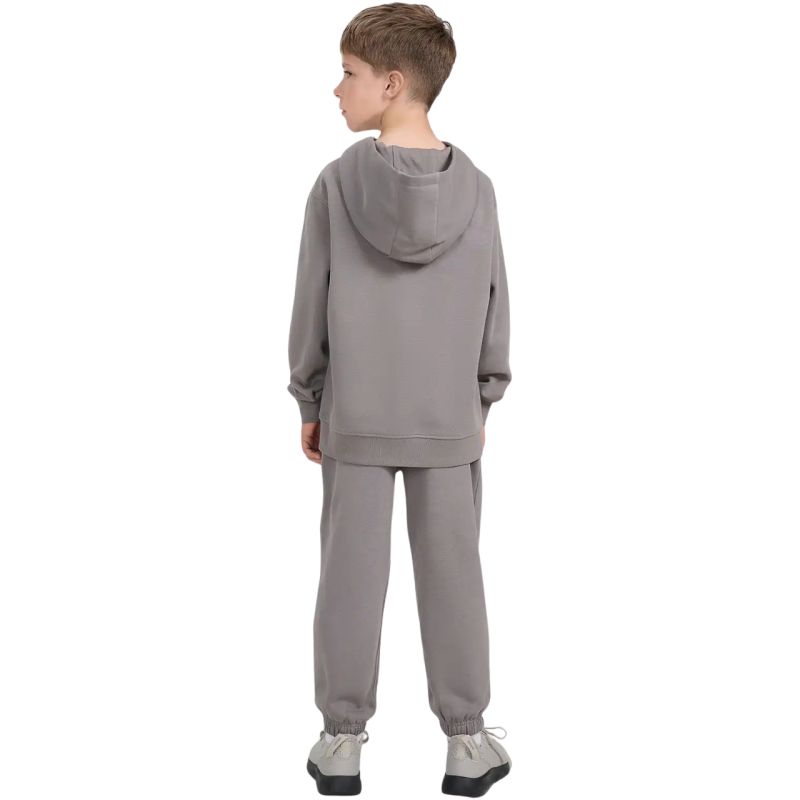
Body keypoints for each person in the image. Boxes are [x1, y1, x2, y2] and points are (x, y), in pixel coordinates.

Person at [287, 4, 512, 795]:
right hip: (448, 420)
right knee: (455, 577)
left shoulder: (335, 184)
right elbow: (495, 302)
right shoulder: (477, 189)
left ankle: (340, 742)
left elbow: (311, 302)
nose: (335, 88)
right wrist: (483, 396)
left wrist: (310, 397)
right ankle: (467, 742)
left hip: (356, 416)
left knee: (349, 577)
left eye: (348, 73)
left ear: (390, 83)